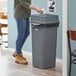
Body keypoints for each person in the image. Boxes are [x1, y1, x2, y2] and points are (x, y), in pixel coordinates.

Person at [12, 0, 43, 65]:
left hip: (26, 15)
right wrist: (36, 8)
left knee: (27, 33)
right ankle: (18, 56)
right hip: (20, 15)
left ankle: (17, 50)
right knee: (21, 34)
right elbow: (23, 3)